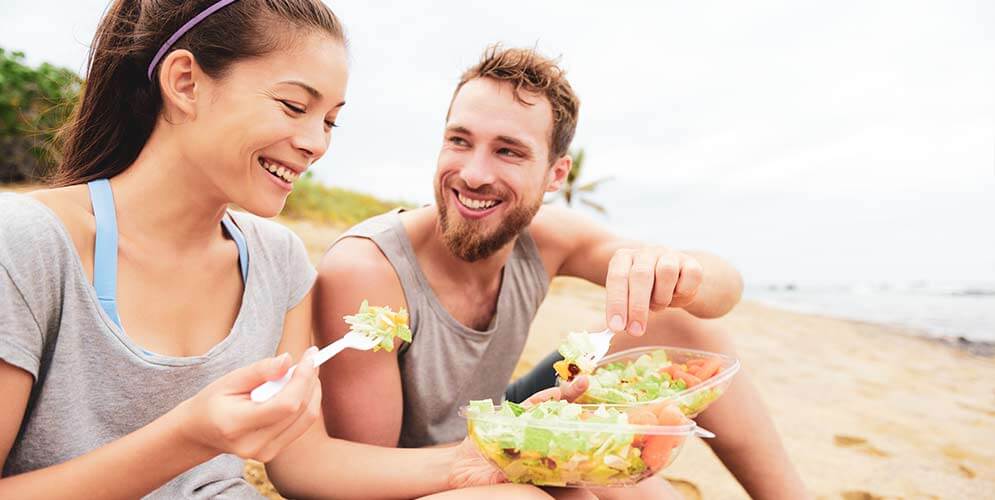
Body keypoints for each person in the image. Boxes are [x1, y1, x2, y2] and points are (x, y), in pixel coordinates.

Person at [0, 2, 582, 498]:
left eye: (330, 121)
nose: (315, 143)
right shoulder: (30, 246)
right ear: (185, 83)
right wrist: (191, 436)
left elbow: (304, 463)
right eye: (293, 106)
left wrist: (487, 456)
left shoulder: (276, 260)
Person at [316, 45, 811, 499]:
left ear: (556, 174)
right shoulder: (368, 270)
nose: (473, 173)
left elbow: (726, 289)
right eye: (460, 141)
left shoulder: (546, 238)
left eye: (508, 151)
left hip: (498, 413)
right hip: (419, 468)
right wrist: (530, 448)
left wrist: (680, 270)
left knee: (683, 320)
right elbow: (367, 474)